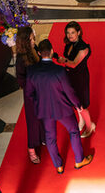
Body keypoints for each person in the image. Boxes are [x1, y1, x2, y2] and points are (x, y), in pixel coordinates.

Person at [24, 39, 94, 173]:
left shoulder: (32, 71)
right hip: (63, 108)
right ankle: (79, 160)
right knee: (73, 132)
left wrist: (40, 103)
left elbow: (29, 93)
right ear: (51, 51)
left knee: (50, 138)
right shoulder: (60, 71)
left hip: (44, 110)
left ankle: (59, 166)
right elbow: (69, 91)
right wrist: (78, 105)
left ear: (39, 53)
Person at [58, 21, 96, 138]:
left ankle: (90, 126)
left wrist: (62, 60)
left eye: (73, 32)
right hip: (70, 77)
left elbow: (74, 64)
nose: (70, 35)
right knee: (75, 102)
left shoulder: (83, 47)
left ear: (79, 32)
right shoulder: (69, 44)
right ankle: (82, 121)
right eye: (68, 33)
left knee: (81, 104)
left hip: (80, 78)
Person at [14, 26, 43, 164]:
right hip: (31, 95)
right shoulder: (21, 59)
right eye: (31, 38)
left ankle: (42, 138)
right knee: (33, 122)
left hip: (41, 91)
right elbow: (21, 80)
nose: (34, 40)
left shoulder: (34, 48)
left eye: (33, 37)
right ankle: (31, 149)